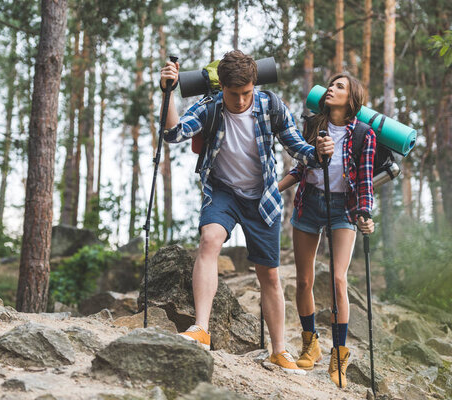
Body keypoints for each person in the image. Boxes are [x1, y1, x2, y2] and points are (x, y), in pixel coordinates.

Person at [159, 50, 333, 373]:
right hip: (222, 191)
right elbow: (173, 134)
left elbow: (300, 149)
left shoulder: (270, 105)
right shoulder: (210, 107)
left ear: (255, 85)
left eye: (246, 93)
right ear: (221, 87)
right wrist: (168, 93)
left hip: (262, 197)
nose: (240, 101)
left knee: (269, 275)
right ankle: (201, 328)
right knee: (209, 239)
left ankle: (279, 350)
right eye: (233, 94)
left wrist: (320, 151)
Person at [278, 72, 375, 387]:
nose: (332, 89)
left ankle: (339, 357)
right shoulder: (313, 126)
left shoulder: (364, 134)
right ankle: (311, 345)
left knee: (337, 279)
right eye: (331, 85)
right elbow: (301, 167)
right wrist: (273, 190)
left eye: (340, 86)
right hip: (309, 202)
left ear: (352, 98)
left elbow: (365, 180)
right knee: (303, 280)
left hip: (343, 207)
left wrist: (365, 213)